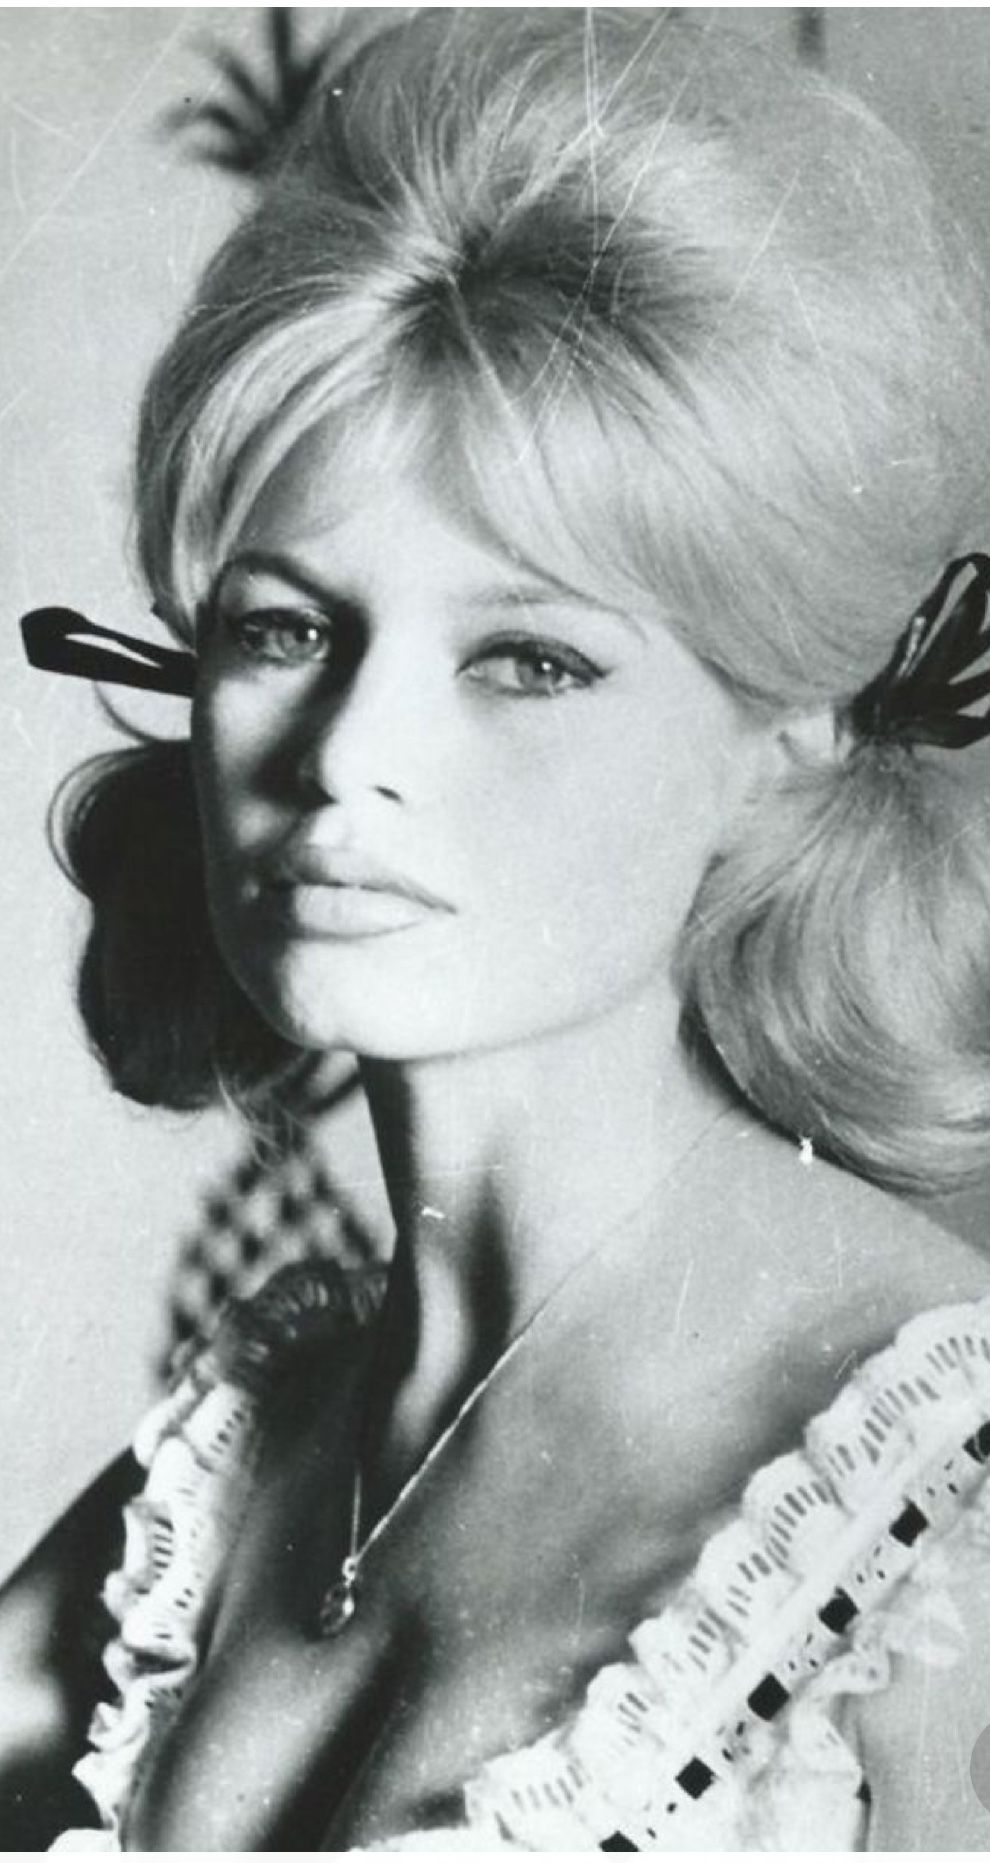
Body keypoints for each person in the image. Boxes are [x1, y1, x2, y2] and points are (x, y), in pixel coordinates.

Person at [6, 7, 990, 1849]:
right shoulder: (241, 1453)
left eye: (526, 658)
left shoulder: (937, 1509)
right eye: (285, 629)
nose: (344, 757)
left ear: (790, 733)